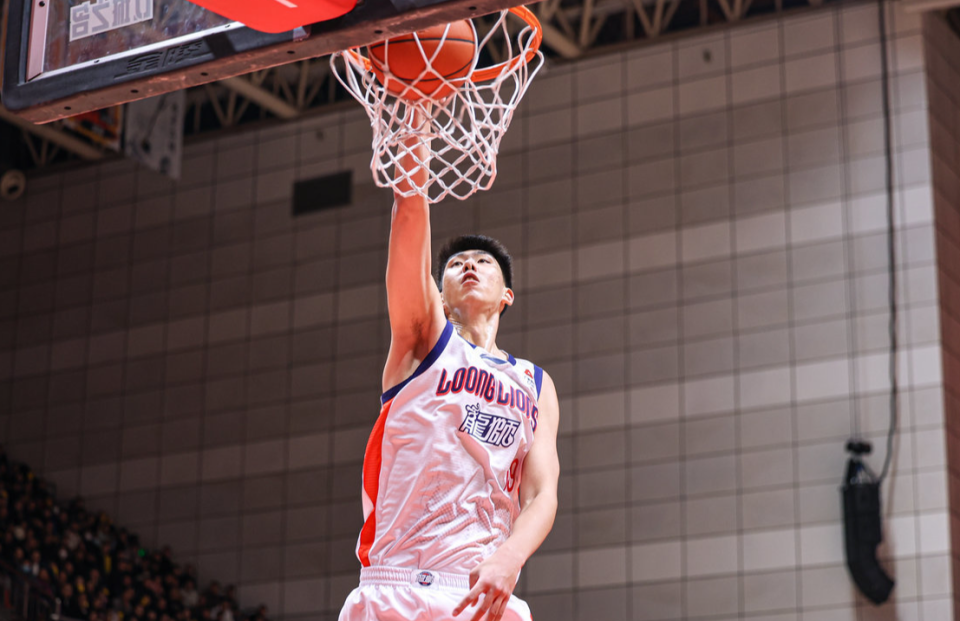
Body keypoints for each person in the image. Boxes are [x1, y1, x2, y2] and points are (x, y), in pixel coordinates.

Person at [338, 128, 560, 621]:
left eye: (483, 262)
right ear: (438, 294)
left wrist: (510, 557)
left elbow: (542, 493)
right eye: (456, 264)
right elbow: (410, 211)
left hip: (484, 589)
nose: (470, 267)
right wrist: (415, 124)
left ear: (507, 295)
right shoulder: (423, 340)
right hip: (399, 587)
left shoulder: (535, 383)